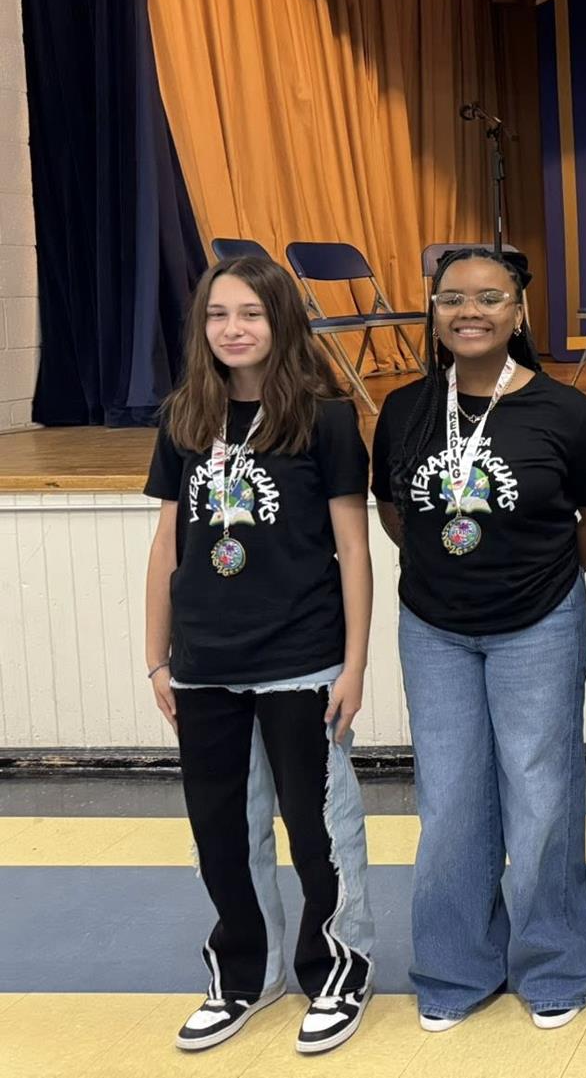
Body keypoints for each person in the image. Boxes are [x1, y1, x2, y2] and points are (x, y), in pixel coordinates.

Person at [371, 247, 586, 1033]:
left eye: (488, 297)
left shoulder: (566, 412)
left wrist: (542, 578)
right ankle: (454, 966)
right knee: (448, 802)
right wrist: (444, 572)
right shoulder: (404, 408)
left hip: (538, 623)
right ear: (434, 312)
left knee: (542, 797)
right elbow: (393, 509)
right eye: (452, 299)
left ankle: (553, 963)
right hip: (434, 628)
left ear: (518, 311)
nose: (468, 311)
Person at [143, 255, 375, 1055]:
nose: (232, 329)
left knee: (319, 829)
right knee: (221, 829)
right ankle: (246, 971)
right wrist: (155, 656)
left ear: (281, 320)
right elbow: (166, 544)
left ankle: (336, 965)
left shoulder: (327, 417)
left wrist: (354, 663)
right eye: (217, 315)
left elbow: (355, 547)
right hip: (204, 659)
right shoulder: (183, 416)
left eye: (250, 313)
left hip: (301, 658)